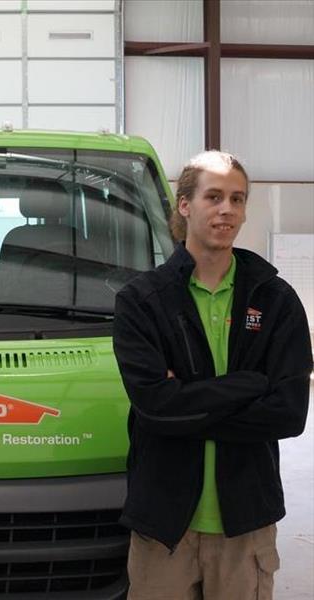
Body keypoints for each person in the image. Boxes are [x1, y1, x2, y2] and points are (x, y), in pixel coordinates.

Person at [112, 150, 312, 600]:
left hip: (245, 522)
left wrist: (183, 400)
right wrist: (249, 384)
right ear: (185, 204)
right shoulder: (143, 301)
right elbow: (153, 406)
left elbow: (289, 413)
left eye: (237, 199)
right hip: (163, 524)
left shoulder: (275, 299)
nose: (227, 210)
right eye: (214, 196)